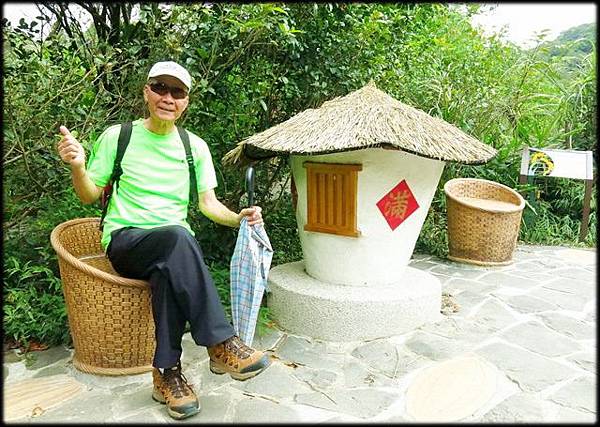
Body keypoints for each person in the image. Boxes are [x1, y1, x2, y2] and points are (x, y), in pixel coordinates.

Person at [57, 61, 271, 420]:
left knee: (169, 267)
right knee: (178, 237)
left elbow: (207, 204)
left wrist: (238, 218)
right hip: (125, 241)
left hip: (172, 250)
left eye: (177, 92)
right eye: (160, 88)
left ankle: (167, 373)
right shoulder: (118, 136)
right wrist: (78, 167)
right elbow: (89, 194)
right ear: (146, 92)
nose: (167, 97)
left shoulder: (194, 147)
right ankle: (220, 341)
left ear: (186, 101)